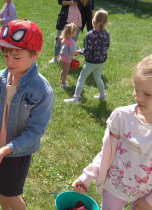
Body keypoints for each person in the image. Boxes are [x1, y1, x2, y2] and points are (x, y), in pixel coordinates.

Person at [0, 19, 54, 210]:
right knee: (1, 188)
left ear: (35, 54)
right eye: (5, 55)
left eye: (16, 57)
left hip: (16, 153)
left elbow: (35, 132)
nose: (9, 61)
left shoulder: (41, 90)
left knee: (9, 196)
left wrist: (6, 150)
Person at [72, 54, 152, 209]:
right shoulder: (122, 117)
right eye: (136, 89)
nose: (138, 97)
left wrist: (149, 201)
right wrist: (87, 176)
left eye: (148, 94)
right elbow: (106, 152)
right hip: (115, 186)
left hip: (146, 193)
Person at [64, 9, 110, 104]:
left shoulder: (90, 34)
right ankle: (102, 96)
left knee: (81, 78)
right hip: (101, 61)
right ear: (105, 22)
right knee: (98, 77)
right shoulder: (106, 34)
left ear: (93, 21)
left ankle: (75, 99)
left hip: (91, 62)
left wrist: (79, 51)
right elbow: (107, 46)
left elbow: (87, 50)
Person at [49, 0, 94, 64]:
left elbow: (90, 11)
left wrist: (91, 26)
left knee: (72, 42)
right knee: (59, 39)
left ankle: (67, 60)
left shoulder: (88, 1)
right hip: (65, 20)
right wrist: (71, 3)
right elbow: (60, 1)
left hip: (77, 23)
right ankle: (55, 57)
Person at [58, 23, 81, 88]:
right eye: (75, 31)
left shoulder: (64, 39)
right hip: (67, 59)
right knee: (65, 72)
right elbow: (73, 52)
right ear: (72, 32)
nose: (76, 33)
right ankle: (63, 84)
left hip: (61, 58)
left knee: (63, 70)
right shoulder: (71, 42)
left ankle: (61, 80)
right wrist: (78, 51)